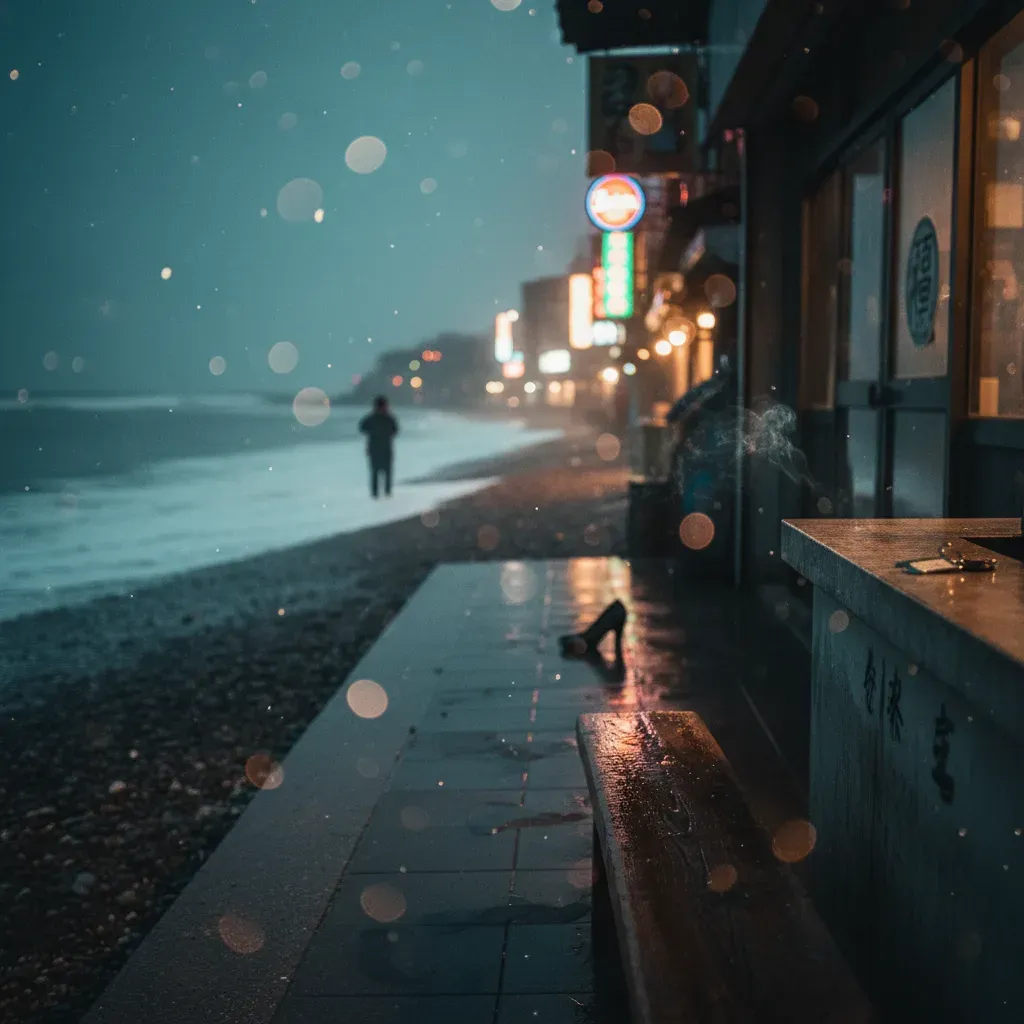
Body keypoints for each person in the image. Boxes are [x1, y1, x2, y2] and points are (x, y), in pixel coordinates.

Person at [359, 395, 399, 498]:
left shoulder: (371, 418)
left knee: (377, 473)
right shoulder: (388, 418)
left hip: (376, 449)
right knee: (384, 473)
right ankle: (384, 495)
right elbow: (395, 431)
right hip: (383, 449)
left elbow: (362, 429)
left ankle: (378, 495)